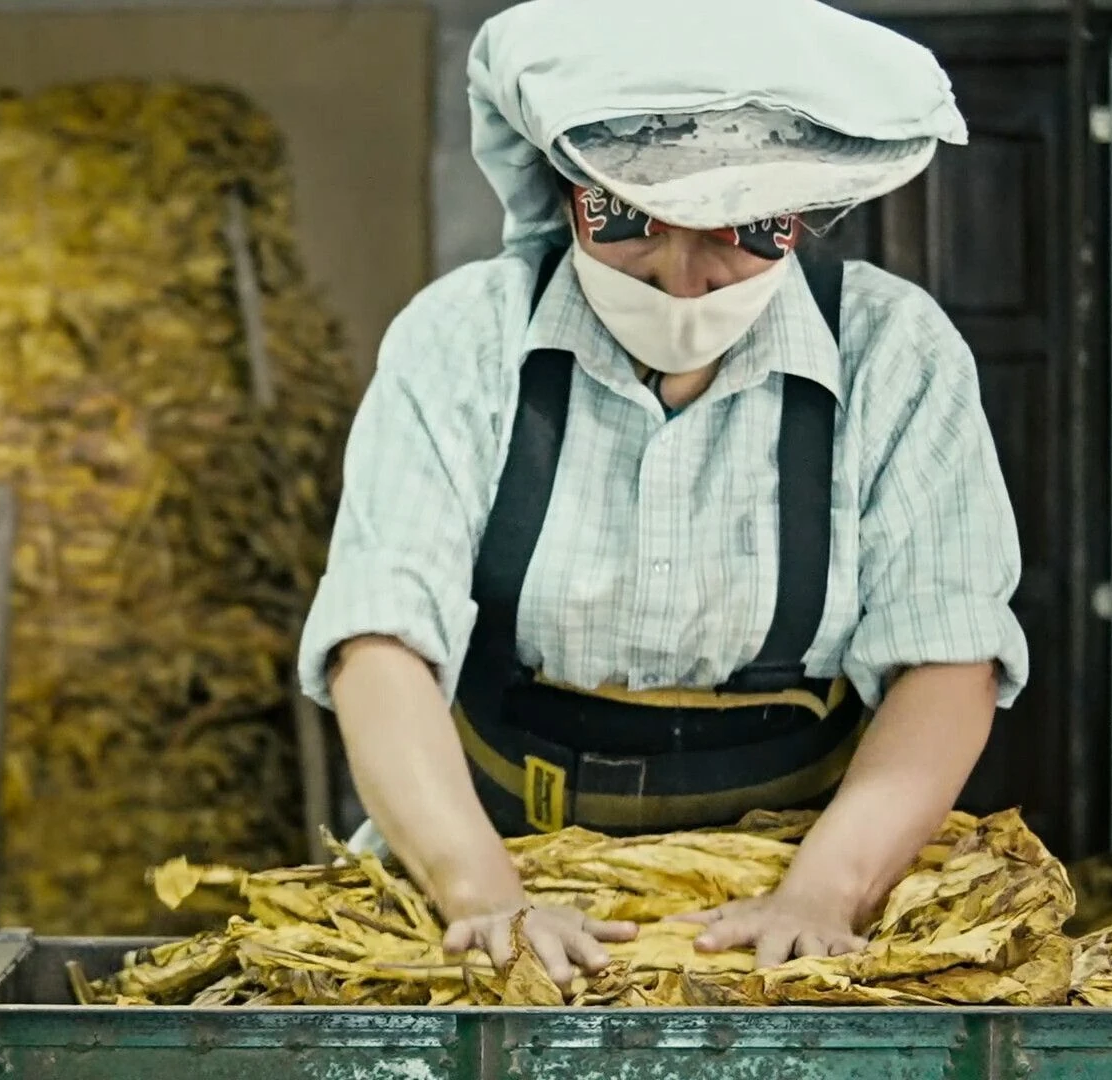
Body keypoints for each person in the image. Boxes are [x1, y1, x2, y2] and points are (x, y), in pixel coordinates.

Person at [297, 0, 1029, 991]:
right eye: (632, 222)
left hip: (803, 874)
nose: (683, 279)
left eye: (738, 234)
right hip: (498, 859)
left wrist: (822, 895)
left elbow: (947, 660)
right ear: (569, 194)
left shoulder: (895, 357)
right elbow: (379, 643)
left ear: (802, 219)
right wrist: (480, 893)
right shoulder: (466, 342)